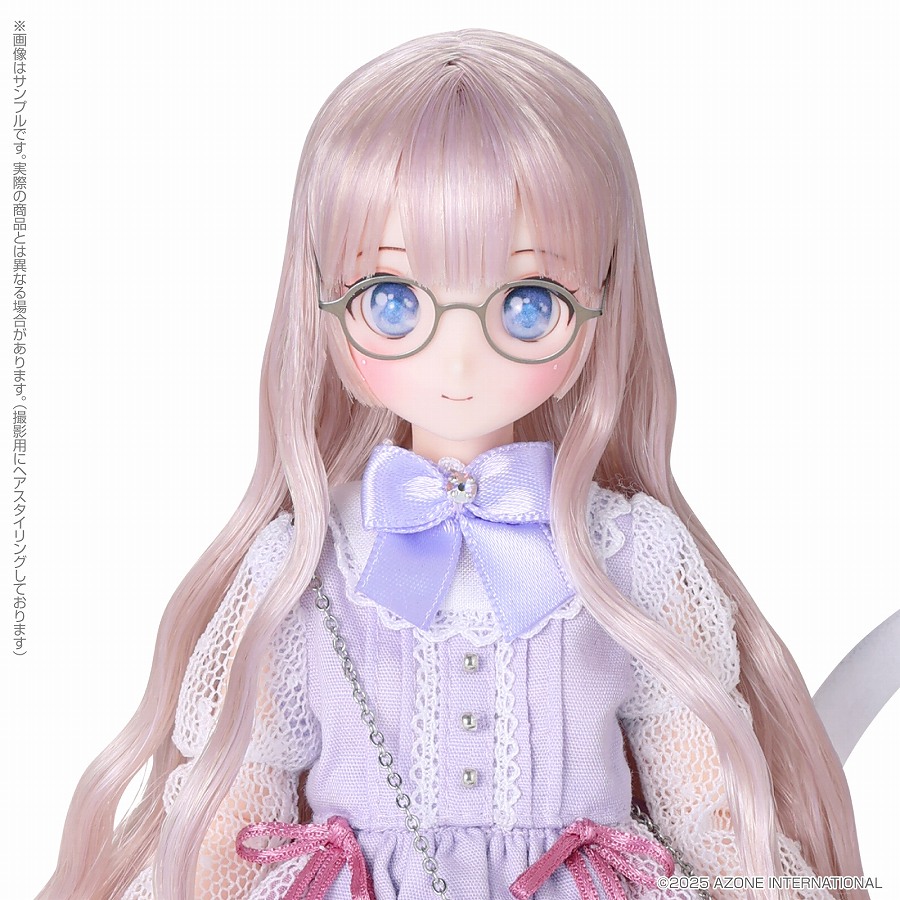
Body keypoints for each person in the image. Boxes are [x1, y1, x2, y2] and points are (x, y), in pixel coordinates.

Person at [39, 29, 866, 900]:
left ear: (601, 305)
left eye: (528, 303)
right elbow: (230, 814)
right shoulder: (307, 564)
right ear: (323, 307)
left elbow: (705, 805)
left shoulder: (628, 554)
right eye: (394, 302)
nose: (460, 359)